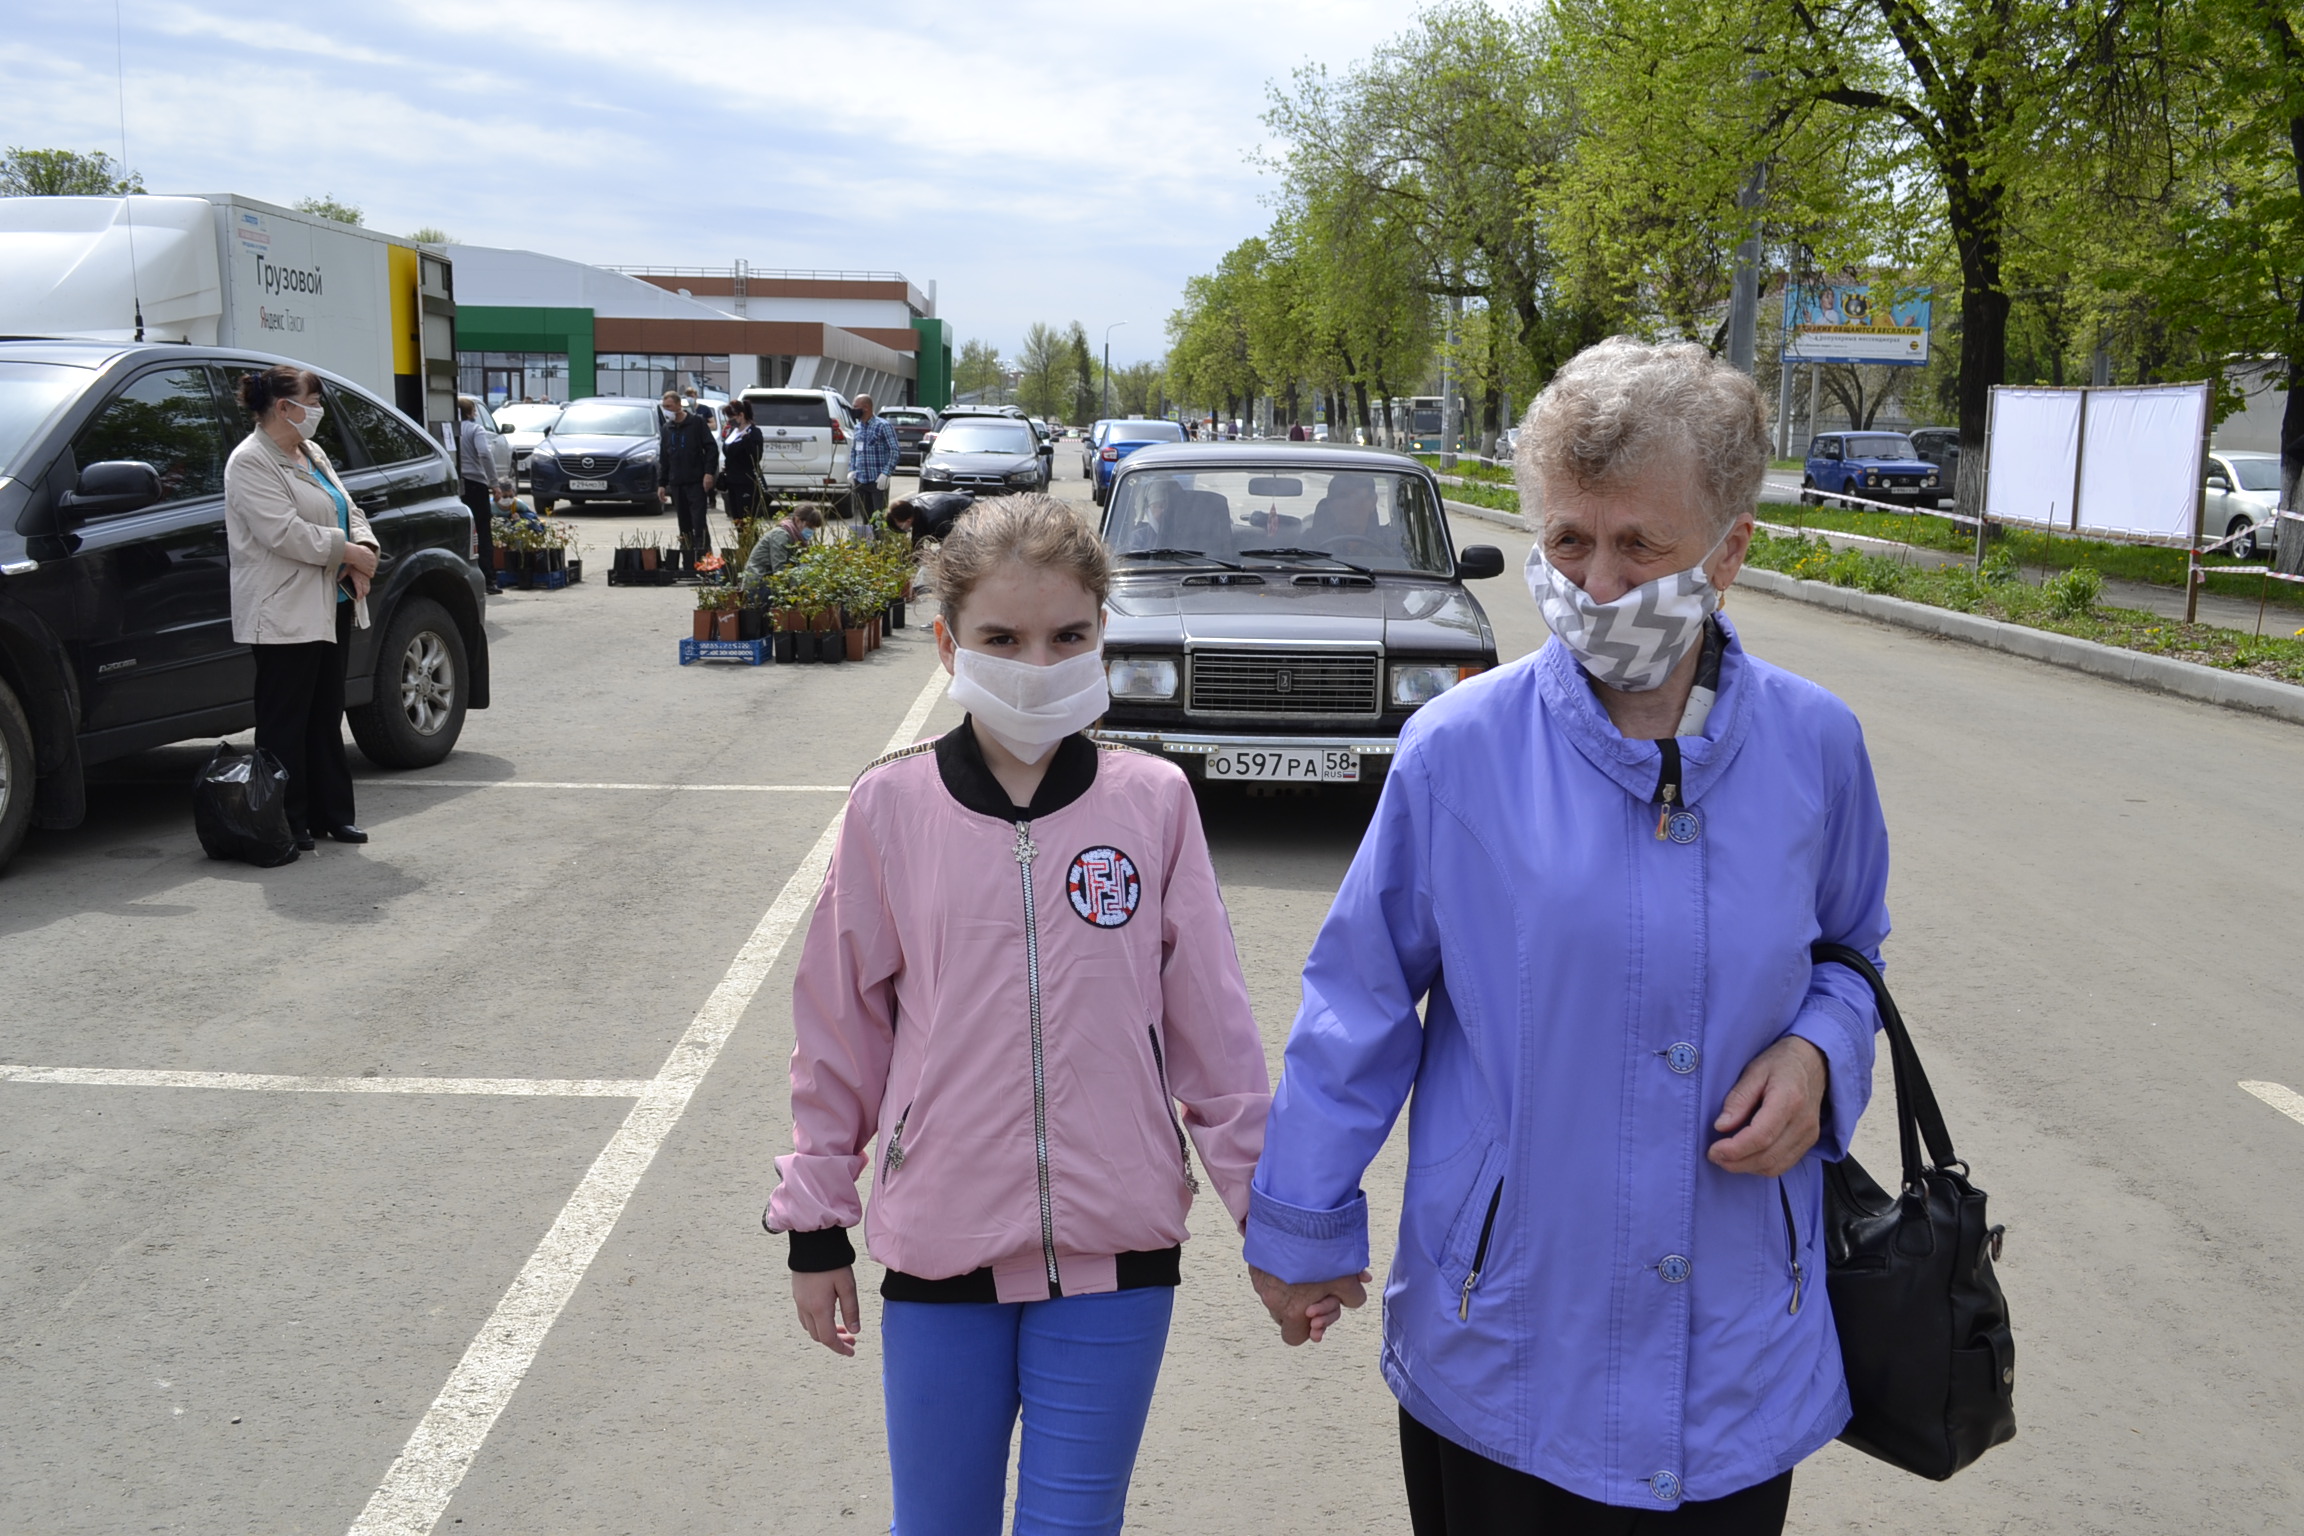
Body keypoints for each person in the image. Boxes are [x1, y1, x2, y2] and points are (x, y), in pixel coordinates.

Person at [1243, 337, 1891, 1536]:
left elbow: (1852, 954)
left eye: (1639, 544)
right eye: (1568, 541)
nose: (1597, 582)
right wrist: (1301, 1220)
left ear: (1730, 549)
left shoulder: (1818, 747)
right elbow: (1361, 1004)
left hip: (1738, 1350)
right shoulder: (1459, 750)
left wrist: (1818, 1053)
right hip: (1506, 1338)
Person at [767, 493, 1272, 1536]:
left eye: (1067, 637)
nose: (1037, 663)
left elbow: (1214, 1039)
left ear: (1101, 640)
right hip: (941, 1244)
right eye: (1002, 637)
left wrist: (1278, 1224)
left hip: (1117, 1261)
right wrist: (817, 1224)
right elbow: (838, 1033)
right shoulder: (891, 808)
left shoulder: (1153, 802)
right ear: (949, 644)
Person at [223, 365, 382, 852]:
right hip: (282, 608)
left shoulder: (310, 451)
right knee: (284, 722)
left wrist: (365, 547)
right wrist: (348, 553)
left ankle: (331, 815)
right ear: (283, 408)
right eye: (311, 402)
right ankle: (284, 822)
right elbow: (283, 532)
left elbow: (345, 505)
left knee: (324, 713)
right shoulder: (250, 462)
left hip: (328, 600)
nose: (318, 412)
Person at [657, 389, 718, 555]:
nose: (666, 409)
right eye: (664, 406)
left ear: (678, 405)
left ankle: (704, 556)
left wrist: (708, 473)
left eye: (669, 406)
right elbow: (664, 457)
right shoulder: (666, 428)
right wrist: (662, 484)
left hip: (696, 481)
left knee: (698, 521)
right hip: (677, 482)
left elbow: (711, 448)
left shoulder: (696, 423)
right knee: (684, 523)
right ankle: (688, 556)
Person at [456, 396, 502, 596]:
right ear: (471, 412)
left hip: (456, 484)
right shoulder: (476, 430)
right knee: (482, 531)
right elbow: (484, 453)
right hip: (476, 485)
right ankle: (488, 580)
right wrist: (494, 483)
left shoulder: (450, 429)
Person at [740, 502, 824, 587]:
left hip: (769, 582)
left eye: (814, 528)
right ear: (798, 520)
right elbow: (779, 570)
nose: (811, 531)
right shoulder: (781, 535)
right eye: (809, 526)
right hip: (758, 584)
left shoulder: (796, 538)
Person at [847, 393, 898, 521]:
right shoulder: (858, 427)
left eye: (855, 406)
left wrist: (886, 473)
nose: (853, 410)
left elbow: (894, 450)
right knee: (865, 518)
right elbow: (854, 451)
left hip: (877, 481)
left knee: (878, 518)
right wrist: (852, 469)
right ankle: (867, 540)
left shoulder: (883, 426)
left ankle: (879, 540)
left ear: (866, 408)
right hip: (861, 480)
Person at [720, 399, 764, 525]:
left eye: (731, 416)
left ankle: (750, 543)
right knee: (737, 520)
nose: (729, 420)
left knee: (747, 519)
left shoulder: (753, 432)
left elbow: (756, 456)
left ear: (741, 415)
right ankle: (742, 543)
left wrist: (746, 440)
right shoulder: (732, 432)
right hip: (732, 481)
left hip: (746, 481)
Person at [884, 489, 973, 546]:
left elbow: (953, 540)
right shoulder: (913, 509)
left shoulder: (935, 519)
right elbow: (917, 541)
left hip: (972, 511)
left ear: (908, 520)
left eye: (899, 526)